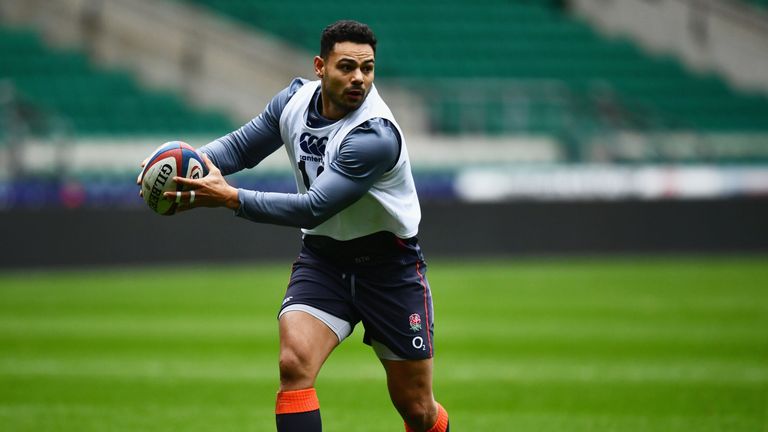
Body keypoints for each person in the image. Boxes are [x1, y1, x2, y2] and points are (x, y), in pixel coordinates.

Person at [139, 20, 450, 432]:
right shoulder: (293, 100)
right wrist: (185, 166)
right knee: (294, 363)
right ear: (320, 66)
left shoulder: (374, 135)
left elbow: (314, 207)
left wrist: (230, 197)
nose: (359, 78)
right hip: (324, 260)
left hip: (388, 267)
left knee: (416, 407)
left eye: (368, 68)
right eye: (347, 67)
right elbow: (239, 148)